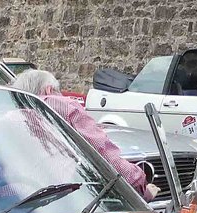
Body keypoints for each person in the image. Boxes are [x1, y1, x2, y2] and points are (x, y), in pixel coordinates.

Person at [11, 70, 158, 201]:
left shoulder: (7, 119)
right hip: (61, 200)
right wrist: (140, 185)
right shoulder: (63, 106)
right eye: (57, 91)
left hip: (14, 201)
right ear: (49, 89)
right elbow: (102, 153)